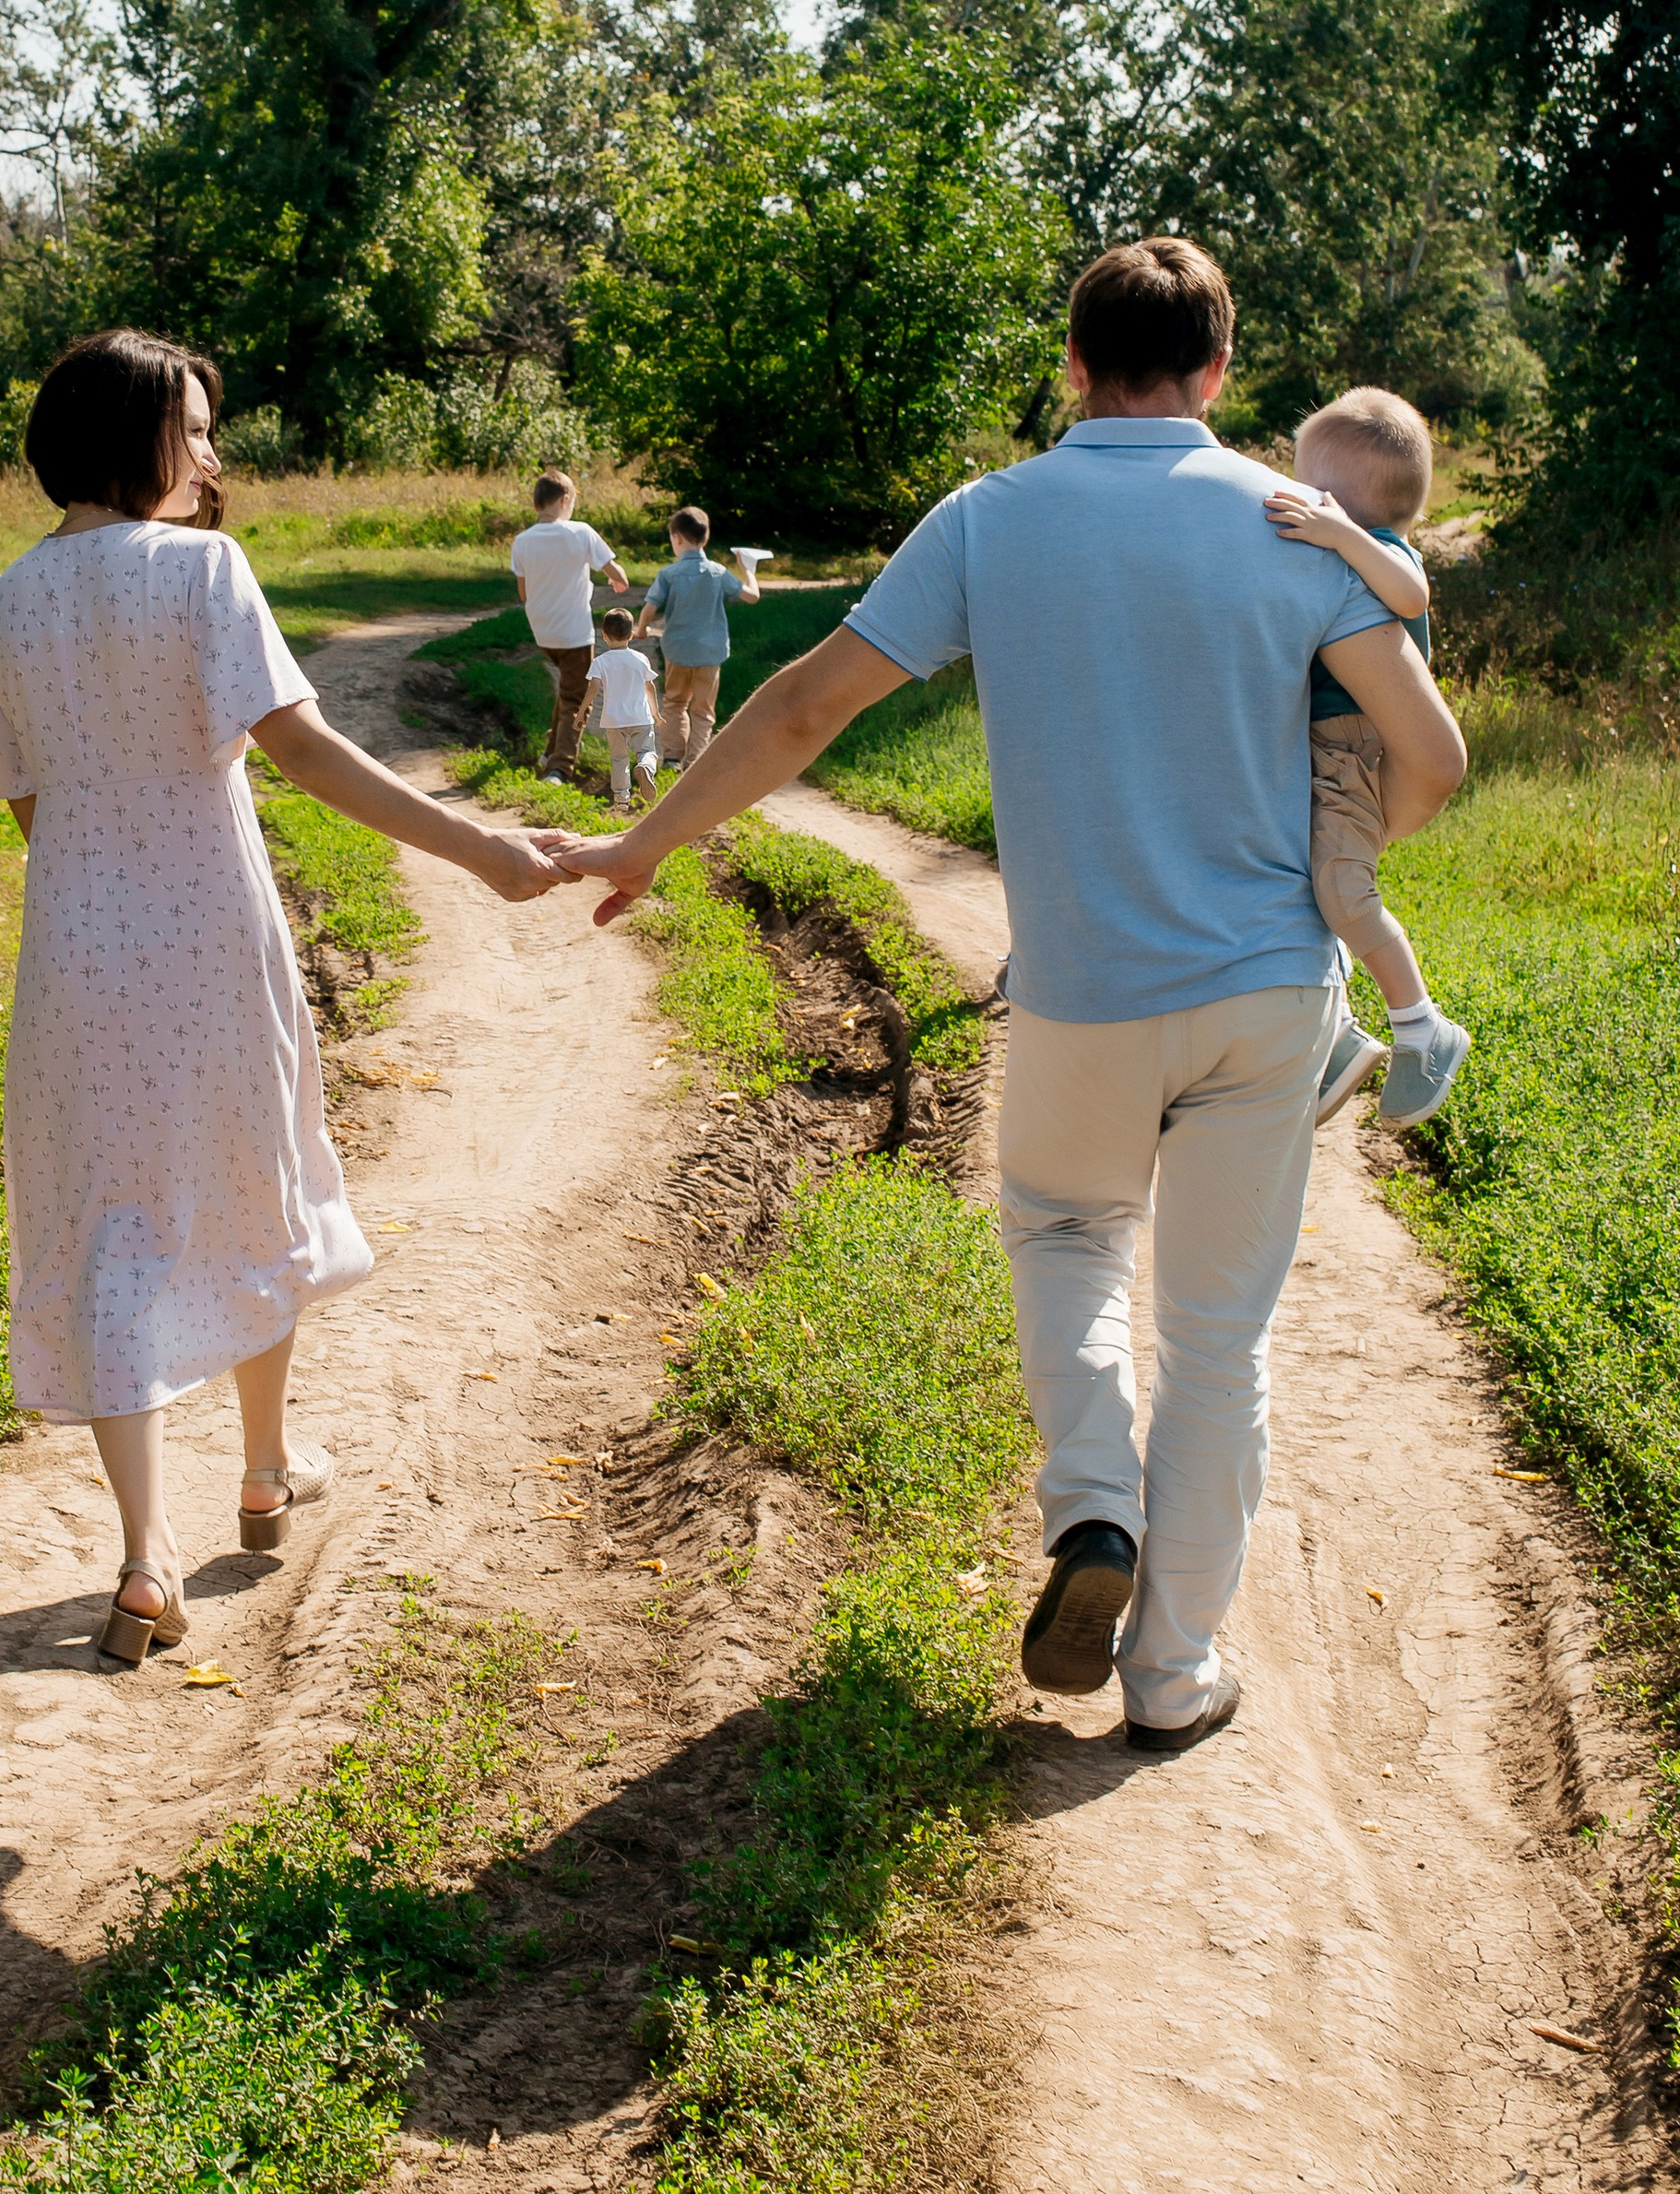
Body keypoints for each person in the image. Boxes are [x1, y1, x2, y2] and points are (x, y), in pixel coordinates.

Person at [548, 238, 1465, 1752]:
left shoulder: (991, 518)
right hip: (1266, 991)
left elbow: (805, 707)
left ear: (1072, 362)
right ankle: (1175, 1673)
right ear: (1220, 372)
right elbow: (1428, 757)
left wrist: (650, 838)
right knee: (1220, 1339)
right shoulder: (1300, 529)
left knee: (1064, 1231)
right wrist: (1347, 854)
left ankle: (1093, 1512)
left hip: (1086, 999)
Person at [0, 329, 568, 1669]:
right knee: (254, 1175)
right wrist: (481, 851)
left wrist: (101, 885)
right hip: (210, 939)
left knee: (114, 1217)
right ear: (140, 440)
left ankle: (140, 1555)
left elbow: (23, 800)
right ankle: (262, 1464)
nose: (214, 456)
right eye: (198, 428)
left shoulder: (5, 603)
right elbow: (302, 745)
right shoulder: (204, 570)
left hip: (73, 957)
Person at [1263, 388, 1472, 1133]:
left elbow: (1413, 589)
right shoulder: (1343, 550)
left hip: (1353, 748)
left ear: (1346, 503)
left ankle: (1421, 1027)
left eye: (1315, 490)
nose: (1300, 499)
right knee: (1302, 887)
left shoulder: (1383, 553)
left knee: (1344, 891)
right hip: (1320, 749)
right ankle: (1328, 1033)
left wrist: (1342, 534)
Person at [509, 469, 627, 783]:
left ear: (537, 504)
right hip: (574, 634)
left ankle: (550, 750)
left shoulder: (521, 542)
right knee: (579, 699)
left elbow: (523, 593)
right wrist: (615, 578)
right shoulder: (581, 533)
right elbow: (618, 575)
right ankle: (559, 768)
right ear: (565, 500)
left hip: (543, 633)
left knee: (568, 689)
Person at [638, 504, 761, 772]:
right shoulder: (718, 572)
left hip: (678, 652)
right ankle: (695, 762)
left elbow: (650, 607)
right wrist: (747, 568)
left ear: (677, 537)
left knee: (674, 703)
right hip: (710, 654)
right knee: (703, 711)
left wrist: (641, 629)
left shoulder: (669, 574)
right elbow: (752, 596)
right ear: (705, 539)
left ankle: (672, 758)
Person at [581, 609, 661, 812]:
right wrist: (656, 713)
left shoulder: (600, 661)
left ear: (604, 636)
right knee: (647, 751)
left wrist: (581, 711)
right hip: (640, 718)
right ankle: (645, 767)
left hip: (614, 721)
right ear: (631, 635)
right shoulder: (640, 658)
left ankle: (621, 799)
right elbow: (649, 687)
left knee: (619, 759)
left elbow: (593, 688)